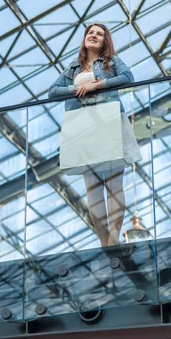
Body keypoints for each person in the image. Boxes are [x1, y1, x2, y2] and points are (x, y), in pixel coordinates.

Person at [48, 23, 141, 247]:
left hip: (108, 119)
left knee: (114, 182)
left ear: (104, 41)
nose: (94, 36)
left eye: (99, 34)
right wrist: (77, 89)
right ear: (85, 38)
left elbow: (128, 77)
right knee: (92, 186)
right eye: (91, 32)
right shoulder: (73, 67)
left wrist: (97, 84)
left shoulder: (111, 61)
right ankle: (103, 241)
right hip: (83, 125)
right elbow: (53, 91)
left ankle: (115, 237)